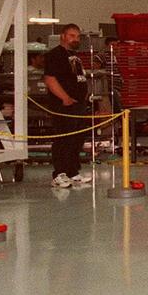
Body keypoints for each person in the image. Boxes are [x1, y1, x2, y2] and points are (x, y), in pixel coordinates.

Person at [43, 23, 93, 188]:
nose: (75, 39)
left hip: (78, 105)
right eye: (72, 36)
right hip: (63, 106)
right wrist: (65, 98)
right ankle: (59, 174)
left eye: (78, 37)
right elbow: (50, 79)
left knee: (76, 139)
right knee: (63, 138)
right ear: (63, 36)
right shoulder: (55, 55)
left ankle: (72, 171)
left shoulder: (75, 56)